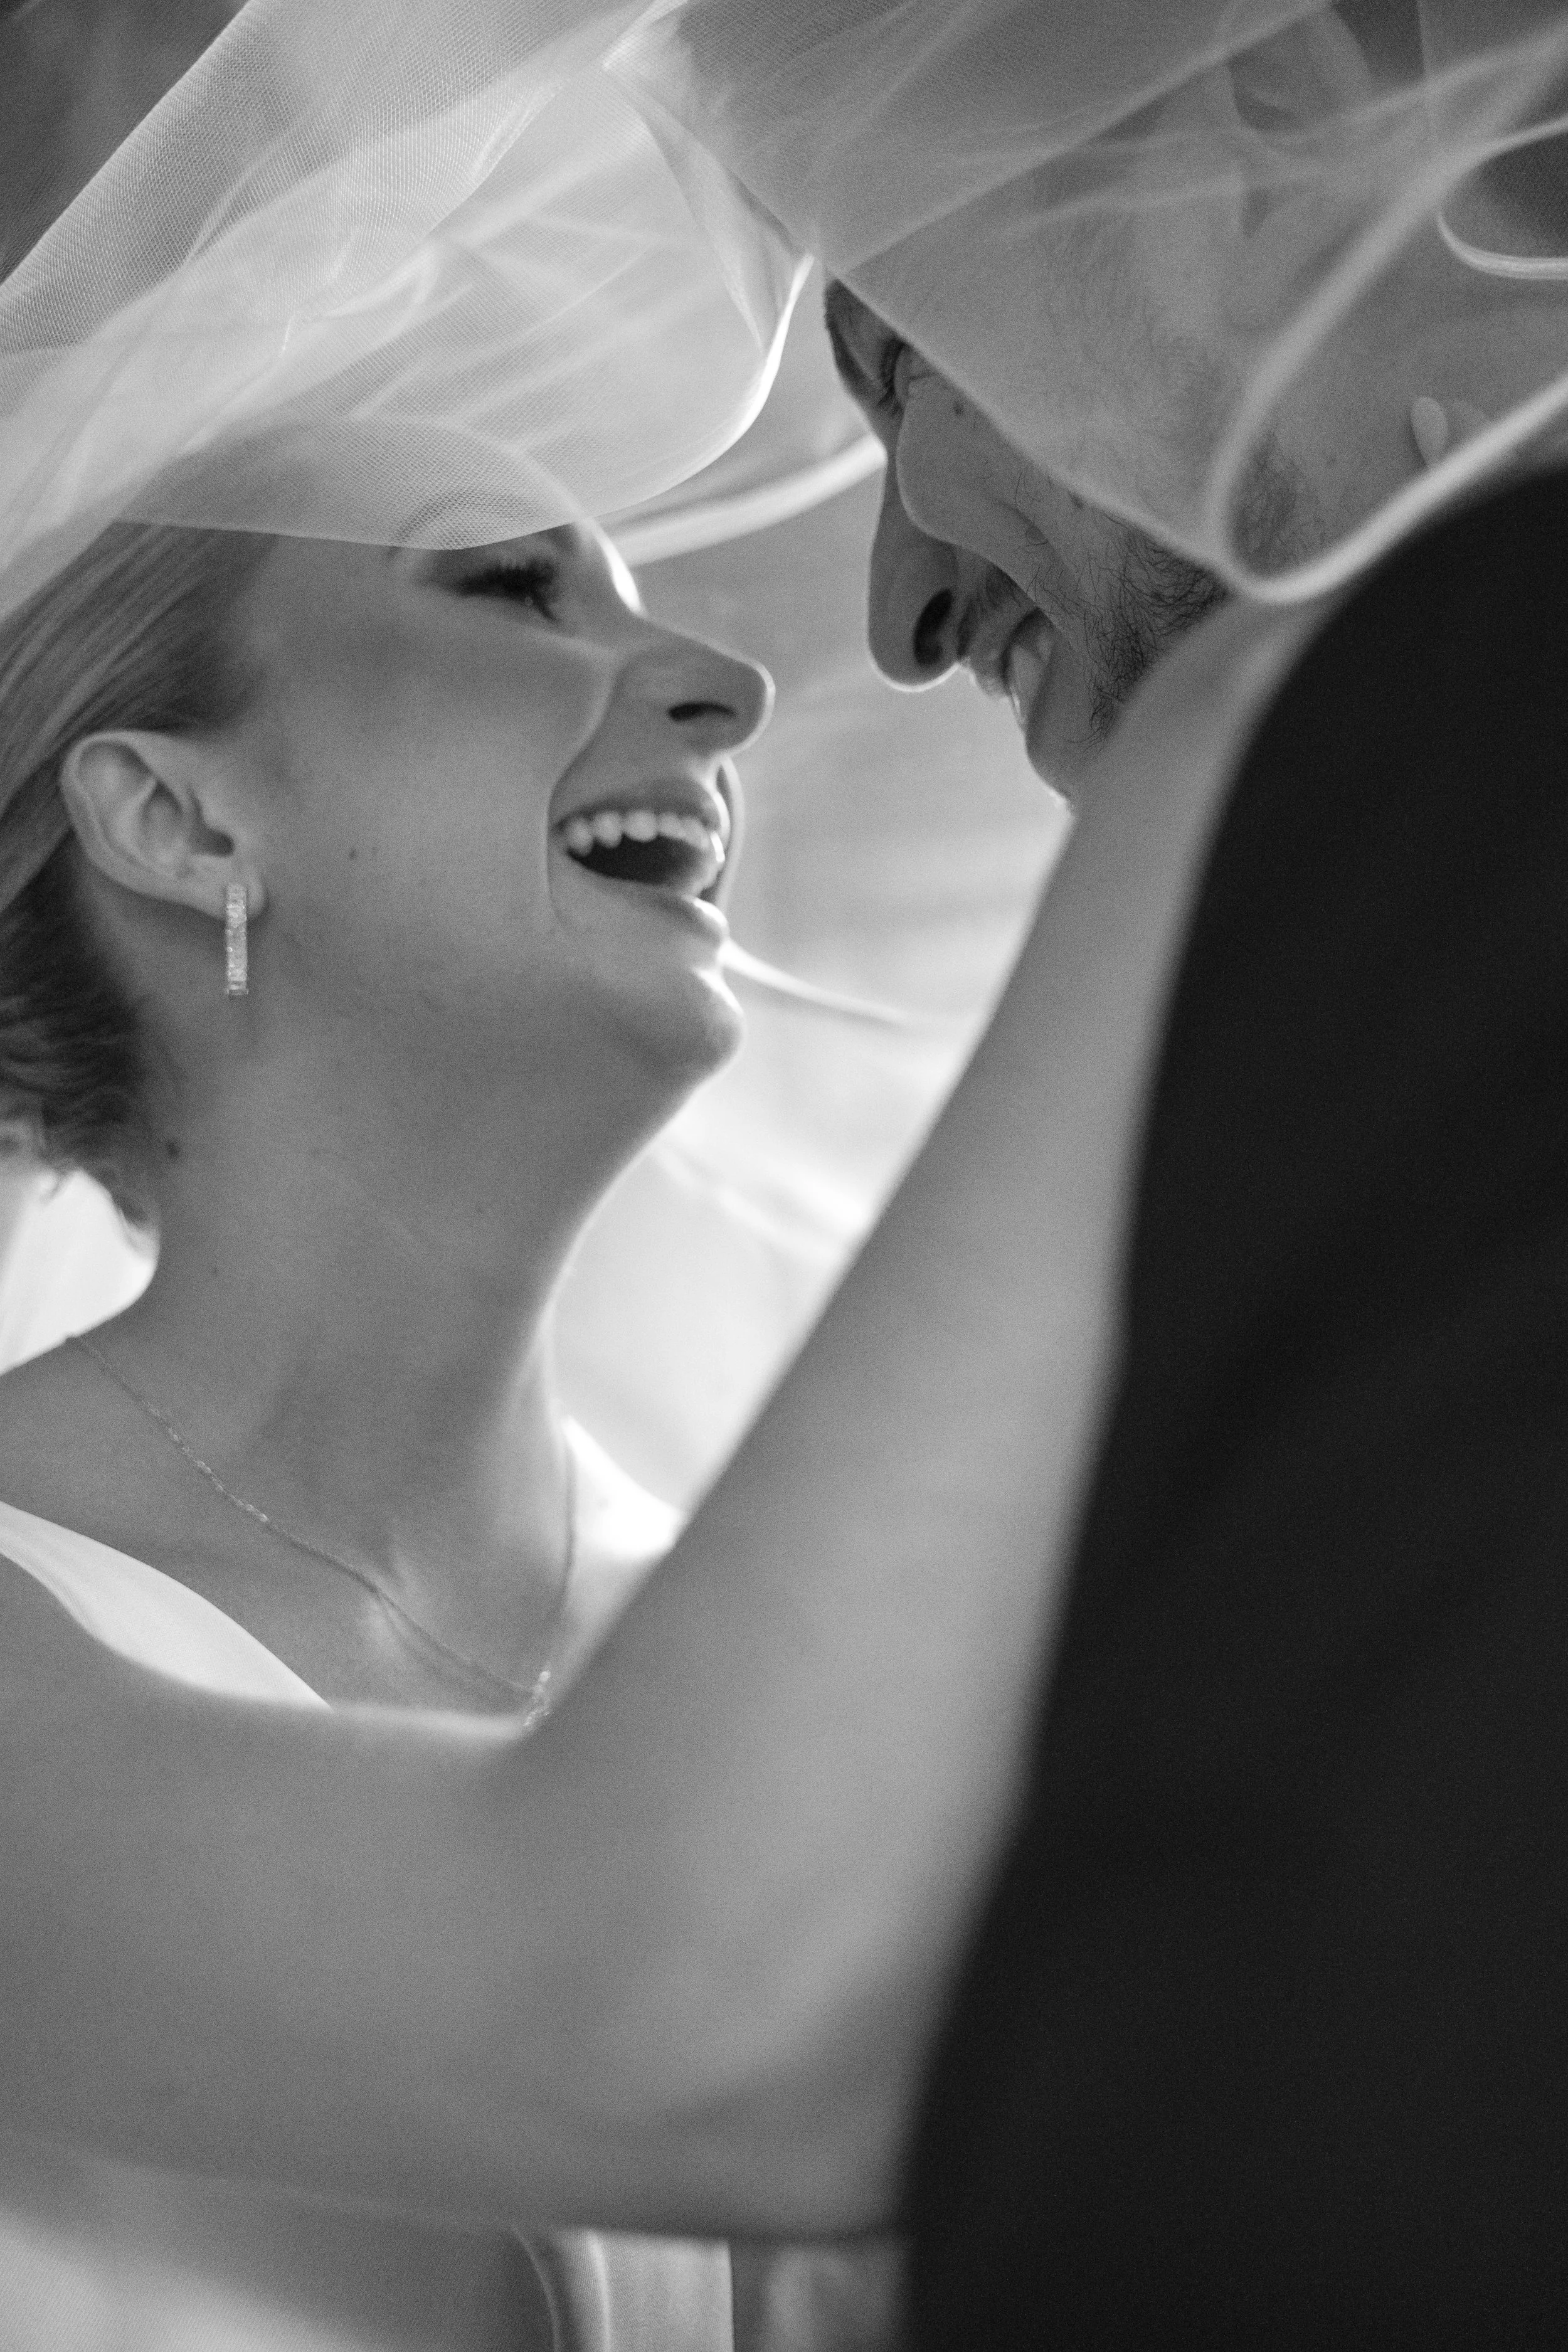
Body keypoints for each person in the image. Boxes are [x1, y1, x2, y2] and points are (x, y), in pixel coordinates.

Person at [7, 3, 1568, 2346]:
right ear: (176, 808)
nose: (738, 682)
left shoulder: (797, 1638)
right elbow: (671, 2013)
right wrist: (1291, 698)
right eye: (511, 589)